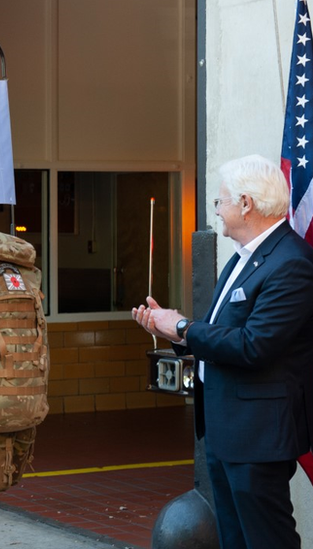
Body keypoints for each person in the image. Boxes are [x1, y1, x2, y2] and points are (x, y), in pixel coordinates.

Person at [132, 154, 313, 549]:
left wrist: (182, 326)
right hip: (224, 429)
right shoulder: (242, 258)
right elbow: (222, 335)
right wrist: (178, 333)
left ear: (246, 204)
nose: (216, 210)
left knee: (267, 539)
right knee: (233, 538)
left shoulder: (290, 263)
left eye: (220, 201)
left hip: (258, 434)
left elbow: (255, 346)